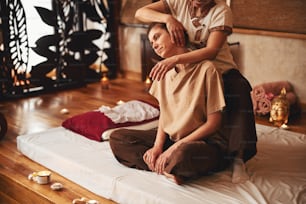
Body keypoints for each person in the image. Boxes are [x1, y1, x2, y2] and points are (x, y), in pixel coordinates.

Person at [135, 0, 257, 183]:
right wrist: (167, 19)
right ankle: (167, 161)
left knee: (239, 86)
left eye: (157, 39)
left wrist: (174, 59)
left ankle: (238, 158)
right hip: (189, 68)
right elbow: (140, 13)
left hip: (219, 69)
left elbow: (211, 51)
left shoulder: (221, 11)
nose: (155, 44)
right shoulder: (177, 3)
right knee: (122, 139)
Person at [109, 22, 231, 184]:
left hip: (202, 143)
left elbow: (214, 124)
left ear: (175, 35)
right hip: (172, 139)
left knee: (184, 155)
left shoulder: (207, 69)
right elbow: (165, 115)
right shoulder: (164, 74)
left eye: (157, 37)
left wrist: (174, 148)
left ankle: (171, 163)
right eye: (151, 42)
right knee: (118, 138)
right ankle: (169, 168)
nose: (154, 45)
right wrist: (158, 147)